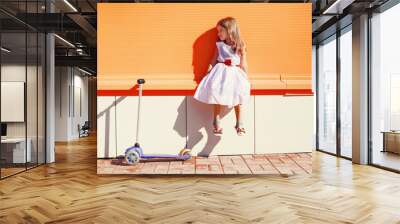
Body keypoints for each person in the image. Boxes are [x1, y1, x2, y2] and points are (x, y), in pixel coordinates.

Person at [194, 17, 251, 136]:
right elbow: (213, 60)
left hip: (235, 72)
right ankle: (216, 120)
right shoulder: (219, 45)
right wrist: (207, 74)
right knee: (217, 94)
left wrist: (246, 77)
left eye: (221, 31)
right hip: (221, 72)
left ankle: (239, 123)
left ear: (230, 30)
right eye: (218, 31)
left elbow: (243, 63)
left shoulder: (240, 46)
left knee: (238, 94)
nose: (218, 34)